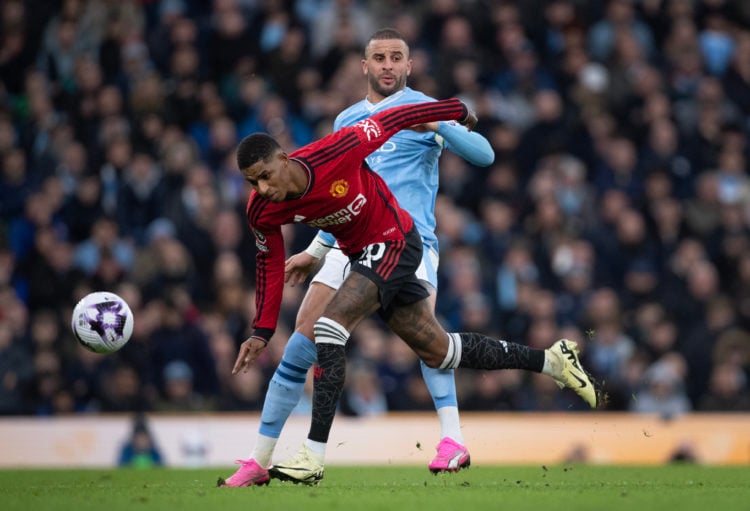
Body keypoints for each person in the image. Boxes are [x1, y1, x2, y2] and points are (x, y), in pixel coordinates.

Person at [227, 95, 597, 486]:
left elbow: (398, 116)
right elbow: (269, 264)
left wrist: (455, 109)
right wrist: (262, 331)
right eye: (253, 182)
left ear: (284, 159)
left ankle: (312, 455)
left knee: (328, 327)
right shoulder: (261, 209)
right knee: (439, 349)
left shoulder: (338, 148)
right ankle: (552, 361)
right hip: (356, 253)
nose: (262, 188)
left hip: (396, 240)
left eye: (266, 175)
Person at [220, 28, 495, 488]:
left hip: (410, 240)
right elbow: (336, 196)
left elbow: (484, 155)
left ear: (409, 66)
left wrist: (443, 125)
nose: (388, 65)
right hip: (347, 244)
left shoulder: (421, 106)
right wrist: (314, 249)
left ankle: (453, 439)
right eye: (379, 58)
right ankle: (257, 458)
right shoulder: (348, 118)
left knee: (426, 338)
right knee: (301, 342)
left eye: (396, 58)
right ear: (364, 67)